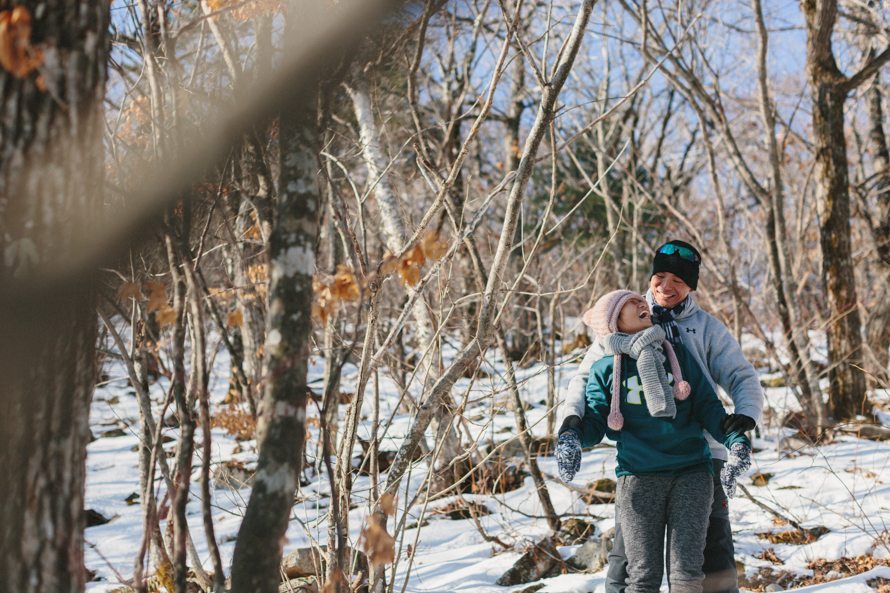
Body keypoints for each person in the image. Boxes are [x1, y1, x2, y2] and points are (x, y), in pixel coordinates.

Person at [556, 240, 763, 593]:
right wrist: (571, 422)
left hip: (700, 455)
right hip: (641, 460)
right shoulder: (620, 316)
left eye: (678, 281)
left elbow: (740, 376)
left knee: (711, 549)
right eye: (660, 276)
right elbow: (587, 378)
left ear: (691, 287)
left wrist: (744, 417)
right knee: (630, 558)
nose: (666, 287)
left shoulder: (705, 328)